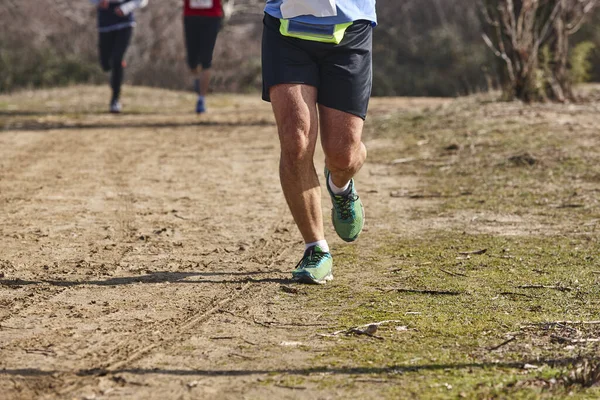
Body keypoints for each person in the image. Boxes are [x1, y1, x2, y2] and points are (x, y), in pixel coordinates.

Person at [262, 0, 377, 284]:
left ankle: (341, 186)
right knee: (296, 141)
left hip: (349, 28)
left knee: (343, 156)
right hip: (285, 29)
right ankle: (316, 248)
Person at [90, 0, 148, 113]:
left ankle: (115, 99)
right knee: (105, 64)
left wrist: (125, 8)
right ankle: (116, 74)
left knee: (117, 59)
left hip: (125, 20)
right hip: (105, 20)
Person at [183, 0, 224, 114]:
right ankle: (198, 82)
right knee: (192, 61)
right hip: (191, 15)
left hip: (212, 16)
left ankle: (201, 99)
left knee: (206, 59)